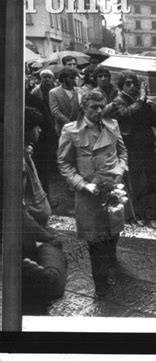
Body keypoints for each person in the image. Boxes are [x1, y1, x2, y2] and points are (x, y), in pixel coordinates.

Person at [57, 90, 128, 297]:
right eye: (93, 107)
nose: (99, 111)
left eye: (101, 106)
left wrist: (121, 170)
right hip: (90, 195)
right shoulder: (71, 131)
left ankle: (112, 261)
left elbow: (122, 151)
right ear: (83, 109)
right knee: (95, 242)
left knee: (114, 232)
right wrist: (82, 184)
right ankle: (101, 287)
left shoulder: (113, 125)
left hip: (114, 189)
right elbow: (64, 163)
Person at [23, 107, 67, 313]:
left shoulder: (25, 151)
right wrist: (47, 237)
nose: (40, 130)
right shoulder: (18, 162)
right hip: (30, 230)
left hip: (35, 226)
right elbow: (16, 209)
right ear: (24, 129)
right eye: (35, 126)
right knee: (46, 285)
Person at [103, 70, 156, 227]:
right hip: (132, 147)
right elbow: (125, 114)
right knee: (136, 182)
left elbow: (153, 121)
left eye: (134, 83)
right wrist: (141, 101)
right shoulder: (118, 100)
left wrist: (152, 108)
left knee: (151, 181)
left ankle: (151, 214)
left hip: (147, 145)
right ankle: (137, 214)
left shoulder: (141, 100)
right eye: (128, 83)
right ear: (121, 86)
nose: (132, 86)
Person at [29, 69, 57, 194]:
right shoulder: (36, 91)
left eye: (49, 77)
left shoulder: (55, 90)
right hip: (41, 122)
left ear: (53, 78)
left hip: (52, 120)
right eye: (44, 77)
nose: (46, 79)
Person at [49, 66, 82, 136]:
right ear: (64, 78)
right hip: (63, 128)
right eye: (71, 78)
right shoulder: (54, 92)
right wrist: (69, 124)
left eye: (75, 78)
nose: (74, 81)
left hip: (78, 128)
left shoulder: (79, 91)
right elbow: (55, 111)